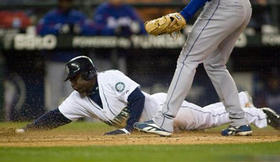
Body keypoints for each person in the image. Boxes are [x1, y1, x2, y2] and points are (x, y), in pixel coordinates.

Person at [15, 56, 280, 135]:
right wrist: (29, 130)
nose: (72, 84)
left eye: (75, 78)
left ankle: (256, 114)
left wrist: (129, 129)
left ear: (89, 74)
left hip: (165, 111)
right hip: (151, 126)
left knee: (208, 120)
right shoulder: (78, 100)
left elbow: (136, 99)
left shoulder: (111, 78)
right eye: (71, 79)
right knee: (205, 118)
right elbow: (57, 116)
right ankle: (240, 99)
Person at [134, 0, 253, 136]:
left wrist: (185, 14)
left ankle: (164, 120)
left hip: (222, 6)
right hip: (244, 7)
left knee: (187, 60)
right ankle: (239, 121)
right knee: (216, 65)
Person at [37, 0, 97, 111]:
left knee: (74, 94)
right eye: (63, 1)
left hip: (75, 62)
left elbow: (92, 29)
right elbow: (40, 30)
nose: (65, 3)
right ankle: (50, 121)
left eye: (67, 1)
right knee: (54, 94)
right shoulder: (51, 16)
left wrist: (78, 29)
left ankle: (73, 120)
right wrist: (59, 29)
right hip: (55, 59)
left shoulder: (77, 16)